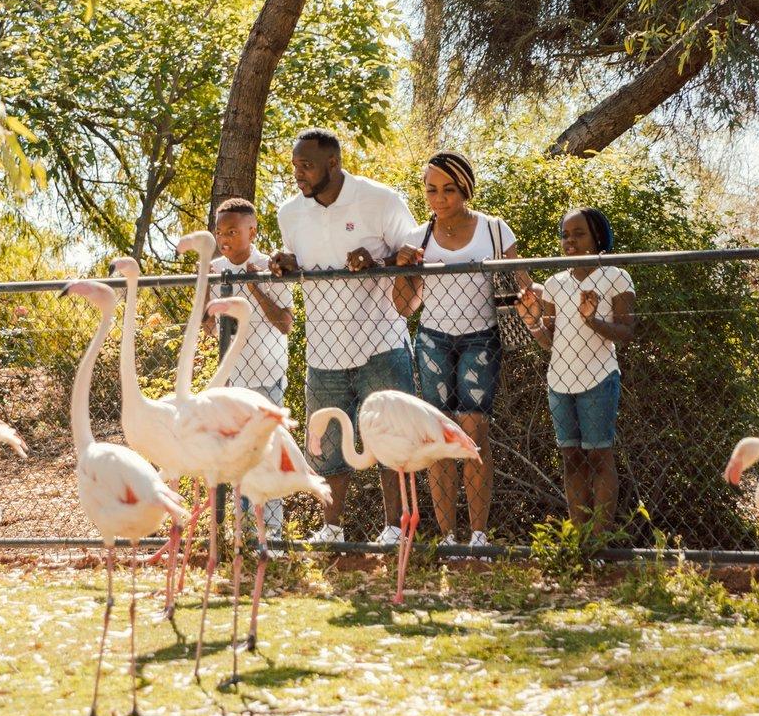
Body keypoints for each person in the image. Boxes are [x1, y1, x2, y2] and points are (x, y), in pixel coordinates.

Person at [270, 128, 419, 545]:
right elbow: (305, 259)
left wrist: (380, 261)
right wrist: (287, 262)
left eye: (307, 165)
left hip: (381, 343)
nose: (298, 173)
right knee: (327, 447)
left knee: (390, 441)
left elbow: (414, 254)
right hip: (323, 351)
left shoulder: (380, 199)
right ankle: (332, 529)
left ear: (333, 164)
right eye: (295, 165)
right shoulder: (289, 213)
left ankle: (395, 530)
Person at [389, 152, 531, 547]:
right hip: (433, 339)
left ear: (465, 189)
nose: (439, 198)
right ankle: (448, 536)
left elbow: (522, 285)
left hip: (480, 338)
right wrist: (404, 268)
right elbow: (404, 307)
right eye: (431, 189)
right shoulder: (418, 239)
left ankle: (479, 535)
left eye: (449, 189)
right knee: (438, 435)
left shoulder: (495, 229)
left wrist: (537, 307)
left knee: (474, 431)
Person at [518, 207, 636, 532]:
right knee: (571, 459)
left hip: (599, 379)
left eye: (578, 233)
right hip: (559, 383)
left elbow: (627, 333)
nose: (569, 240)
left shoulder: (615, 276)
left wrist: (592, 321)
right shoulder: (555, 283)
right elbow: (551, 341)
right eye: (565, 234)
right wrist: (532, 323)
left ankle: (599, 542)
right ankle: (581, 540)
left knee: (599, 457)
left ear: (597, 236)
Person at [205, 197, 295, 543]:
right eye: (220, 231)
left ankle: (272, 532)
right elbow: (209, 325)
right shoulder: (215, 269)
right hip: (234, 379)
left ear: (252, 231)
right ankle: (242, 528)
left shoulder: (270, 266)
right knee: (239, 456)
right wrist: (206, 303)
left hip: (267, 375)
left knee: (267, 454)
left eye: (232, 231)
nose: (224, 238)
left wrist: (254, 285)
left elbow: (285, 323)